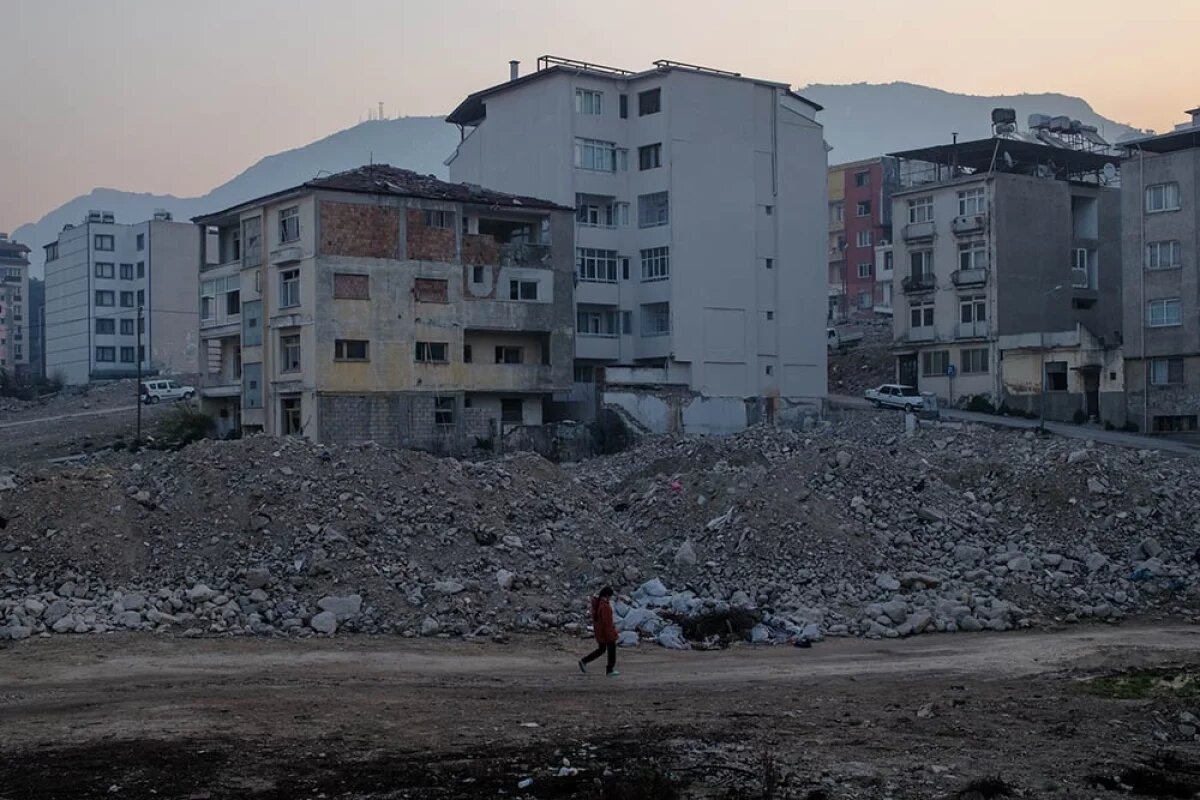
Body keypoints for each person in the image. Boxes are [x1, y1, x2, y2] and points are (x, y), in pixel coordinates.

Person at [579, 586, 619, 677]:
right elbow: (607, 623)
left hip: (600, 632)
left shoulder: (597, 604)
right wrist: (612, 635)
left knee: (601, 649)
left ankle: (584, 661)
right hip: (606, 633)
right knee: (611, 651)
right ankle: (610, 670)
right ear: (608, 596)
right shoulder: (604, 606)